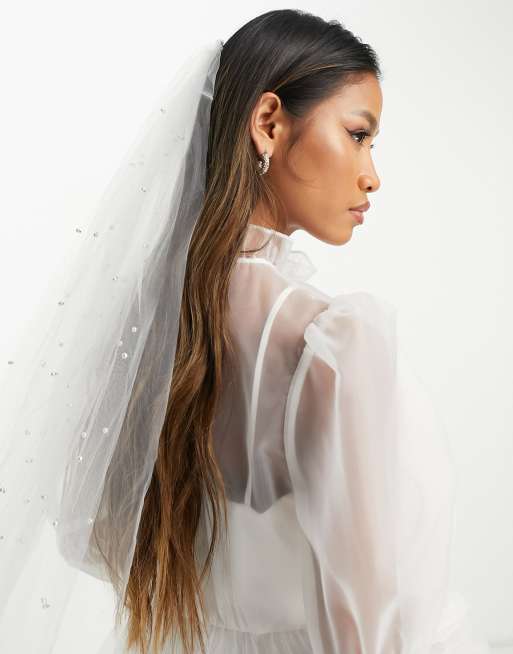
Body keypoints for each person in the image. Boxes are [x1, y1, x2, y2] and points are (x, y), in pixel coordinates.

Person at [0, 8, 492, 654]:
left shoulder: (152, 330)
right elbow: (363, 637)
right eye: (357, 134)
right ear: (268, 123)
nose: (372, 174)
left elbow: (91, 534)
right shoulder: (331, 346)